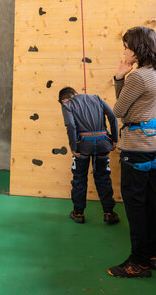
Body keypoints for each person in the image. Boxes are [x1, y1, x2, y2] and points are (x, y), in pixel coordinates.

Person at [107, 27, 156, 279]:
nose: (125, 51)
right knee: (150, 201)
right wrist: (122, 79)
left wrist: (119, 77)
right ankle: (152, 254)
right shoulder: (153, 73)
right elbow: (128, 107)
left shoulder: (139, 77)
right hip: (149, 143)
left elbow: (119, 110)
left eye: (127, 47)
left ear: (138, 49)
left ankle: (138, 262)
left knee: (135, 205)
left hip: (136, 145)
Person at [58, 86, 119, 225]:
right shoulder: (97, 98)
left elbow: (71, 126)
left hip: (83, 147)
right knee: (103, 177)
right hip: (103, 144)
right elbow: (112, 116)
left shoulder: (67, 105)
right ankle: (109, 213)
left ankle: (78, 214)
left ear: (63, 100)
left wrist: (73, 147)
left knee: (79, 178)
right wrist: (115, 139)